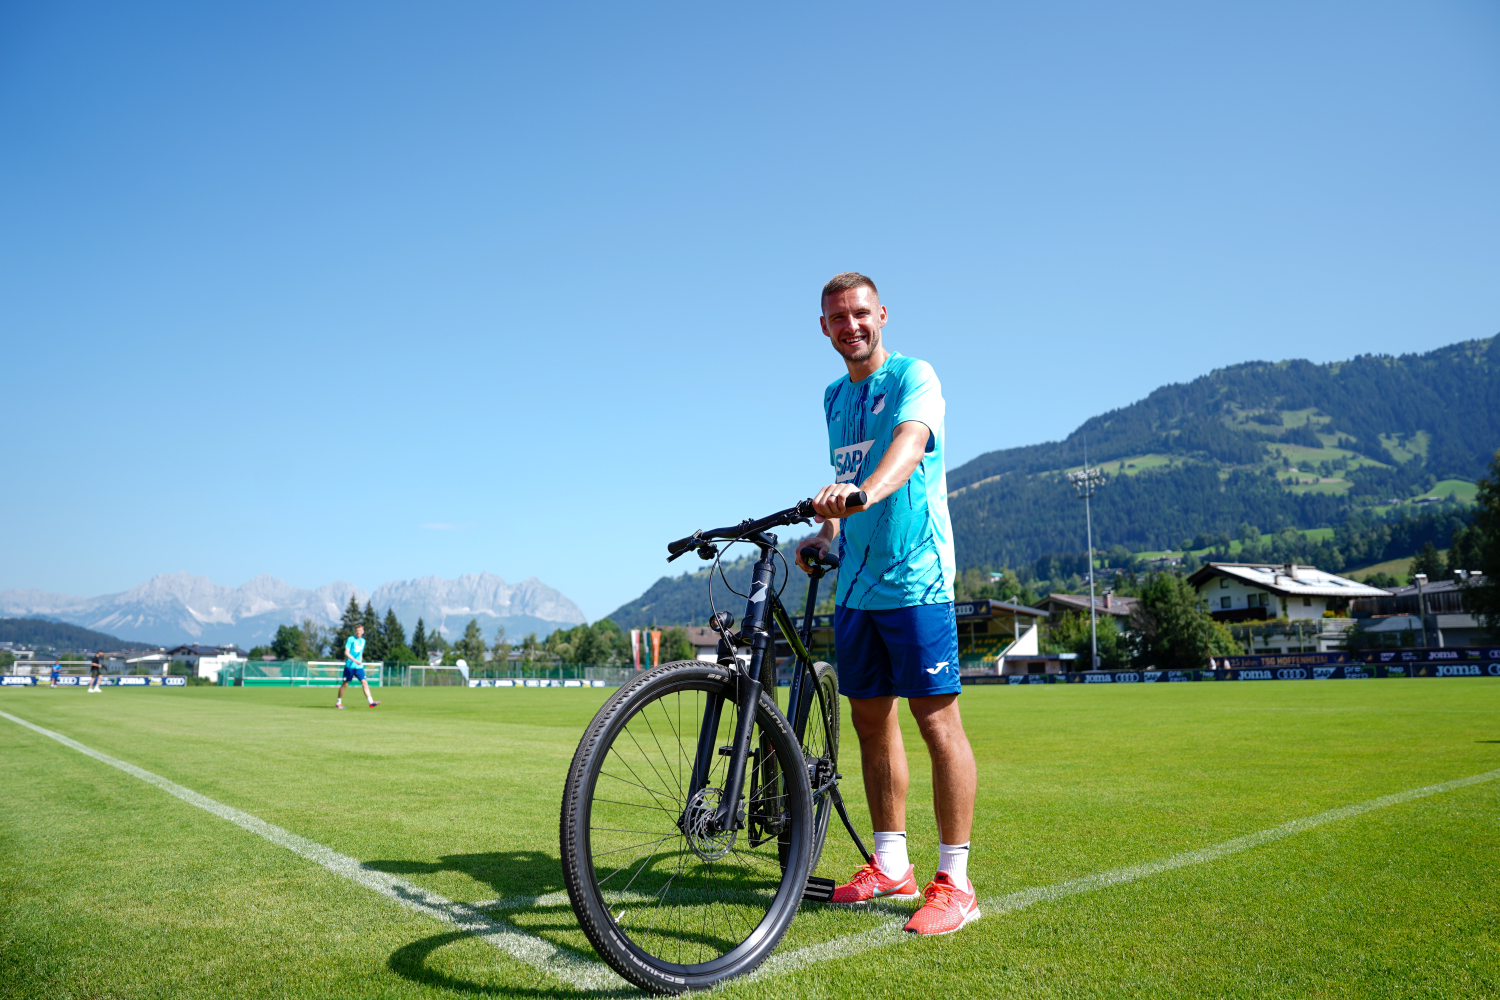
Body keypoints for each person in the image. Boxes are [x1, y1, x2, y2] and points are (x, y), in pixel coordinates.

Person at [798, 272, 980, 936]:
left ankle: (956, 883)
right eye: (838, 318)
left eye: (861, 313)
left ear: (882, 315)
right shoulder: (832, 396)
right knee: (871, 727)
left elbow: (907, 447)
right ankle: (891, 865)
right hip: (857, 589)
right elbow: (844, 482)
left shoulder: (914, 375)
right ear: (825, 328)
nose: (851, 325)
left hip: (917, 581)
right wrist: (828, 533)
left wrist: (866, 494)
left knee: (938, 726)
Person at [336, 624, 379, 709]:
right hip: (350, 666)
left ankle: (371, 702)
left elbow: (360, 653)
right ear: (355, 631)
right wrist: (355, 660)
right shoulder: (351, 639)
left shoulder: (363, 641)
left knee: (364, 682)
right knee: (345, 684)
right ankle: (338, 703)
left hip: (359, 667)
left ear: (363, 632)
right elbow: (346, 652)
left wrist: (360, 661)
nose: (358, 632)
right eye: (357, 630)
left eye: (360, 630)